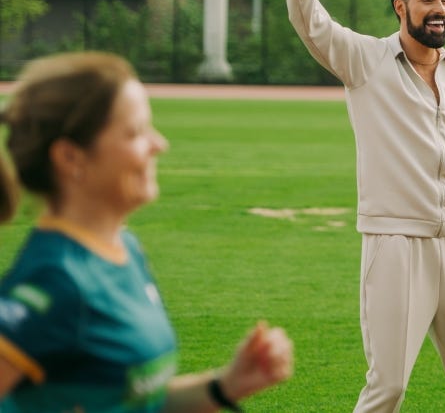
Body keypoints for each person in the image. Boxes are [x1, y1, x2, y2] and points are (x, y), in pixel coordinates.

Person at [0, 51, 293, 411]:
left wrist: (224, 386)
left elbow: (134, 400)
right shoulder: (55, 279)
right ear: (70, 158)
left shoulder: (123, 247)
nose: (159, 144)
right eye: (136, 132)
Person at [286, 0, 445, 412]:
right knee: (389, 386)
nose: (439, 8)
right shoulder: (365, 61)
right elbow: (311, 22)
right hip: (396, 241)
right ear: (401, 7)